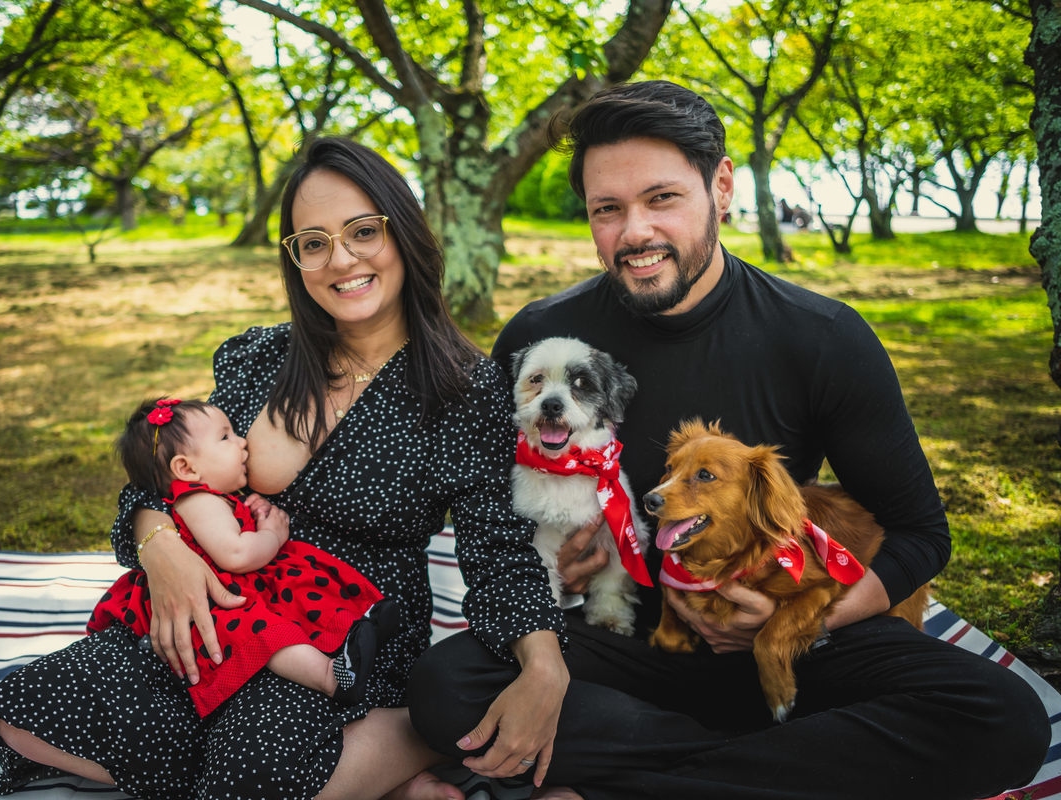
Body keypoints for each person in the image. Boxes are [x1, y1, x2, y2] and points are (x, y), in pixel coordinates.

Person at [407, 80, 1051, 799]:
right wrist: (549, 617)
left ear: (721, 187)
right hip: (625, 639)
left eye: (661, 199)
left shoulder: (823, 338)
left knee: (1004, 717)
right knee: (443, 687)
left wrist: (794, 621)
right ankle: (777, 765)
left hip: (785, 636)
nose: (634, 233)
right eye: (607, 210)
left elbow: (920, 533)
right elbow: (491, 520)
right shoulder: (540, 340)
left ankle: (647, 778)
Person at [0, 137, 569, 800]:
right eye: (313, 242)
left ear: (405, 232)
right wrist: (161, 548)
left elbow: (500, 557)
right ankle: (363, 779)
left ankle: (398, 738)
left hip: (339, 641)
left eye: (363, 231)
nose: (340, 260)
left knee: (250, 776)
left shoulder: (467, 392)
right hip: (224, 614)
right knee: (22, 711)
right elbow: (169, 475)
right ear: (294, 258)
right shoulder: (259, 359)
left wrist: (543, 666)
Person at [85, 396, 400, 714]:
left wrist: (254, 515)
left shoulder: (211, 497)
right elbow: (235, 554)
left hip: (237, 590)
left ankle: (360, 622)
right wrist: (271, 535)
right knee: (269, 634)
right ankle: (330, 677)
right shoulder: (196, 500)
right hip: (221, 605)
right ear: (186, 468)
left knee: (293, 596)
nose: (242, 442)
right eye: (226, 437)